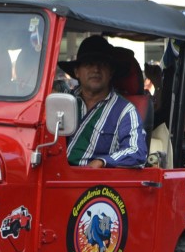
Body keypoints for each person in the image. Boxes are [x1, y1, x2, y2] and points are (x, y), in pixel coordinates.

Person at [61, 36, 147, 168]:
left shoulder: (125, 111)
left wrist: (102, 162)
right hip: (54, 177)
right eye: (89, 64)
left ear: (111, 72)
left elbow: (137, 151)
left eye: (102, 64)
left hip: (95, 185)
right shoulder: (63, 102)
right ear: (77, 72)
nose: (96, 69)